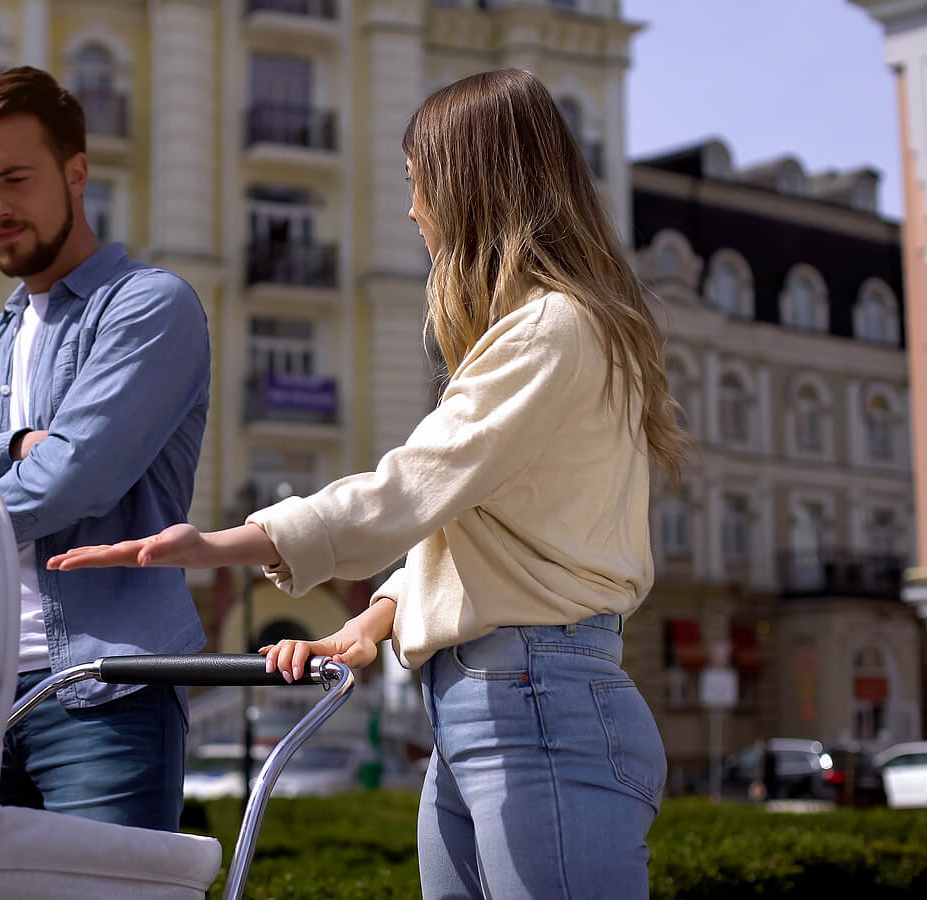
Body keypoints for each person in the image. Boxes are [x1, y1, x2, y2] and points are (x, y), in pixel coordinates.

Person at [49, 67, 688, 898]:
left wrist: (227, 542)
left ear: (471, 189)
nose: (412, 210)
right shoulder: (551, 331)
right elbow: (488, 529)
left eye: (420, 186)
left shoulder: (552, 330)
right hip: (501, 699)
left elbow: (409, 489)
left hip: (536, 699)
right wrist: (377, 621)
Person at [0, 66, 210, 833]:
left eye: (14, 178)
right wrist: (13, 444)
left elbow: (70, 483)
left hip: (106, 691)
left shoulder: (150, 306)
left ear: (77, 172)